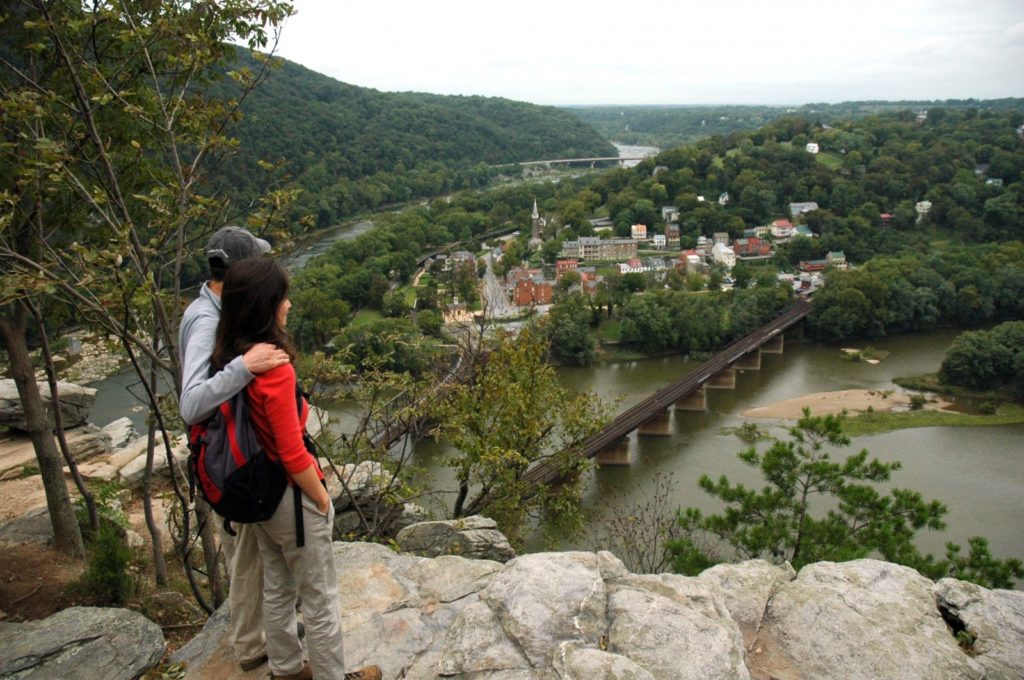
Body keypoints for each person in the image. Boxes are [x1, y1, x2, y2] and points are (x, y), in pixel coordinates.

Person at [212, 257, 381, 680]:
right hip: (291, 496)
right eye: (282, 297)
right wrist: (322, 499)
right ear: (265, 305)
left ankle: (286, 670)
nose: (288, 305)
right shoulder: (275, 370)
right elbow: (291, 450)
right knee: (320, 598)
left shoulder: (230, 360)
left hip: (258, 495)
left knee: (277, 586)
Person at [178, 225, 289, 671]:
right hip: (225, 459)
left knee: (255, 547)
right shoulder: (206, 320)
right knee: (246, 552)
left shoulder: (221, 308)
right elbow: (190, 403)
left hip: (234, 452)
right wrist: (247, 365)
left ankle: (264, 633)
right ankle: (250, 644)